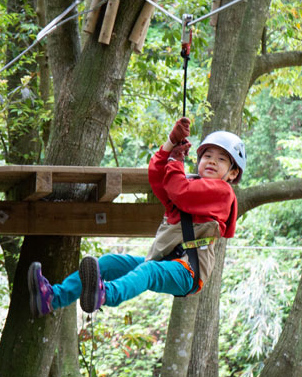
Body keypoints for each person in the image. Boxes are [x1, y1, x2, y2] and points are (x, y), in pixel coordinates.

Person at [28, 118, 245, 316]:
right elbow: (158, 177)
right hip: (166, 260)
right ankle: (53, 298)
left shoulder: (223, 192)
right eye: (207, 156)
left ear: (233, 173)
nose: (212, 161)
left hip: (188, 271)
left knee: (148, 271)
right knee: (109, 263)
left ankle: (106, 294)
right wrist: (171, 144)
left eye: (222, 159)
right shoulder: (190, 185)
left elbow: (181, 193)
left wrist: (176, 161)